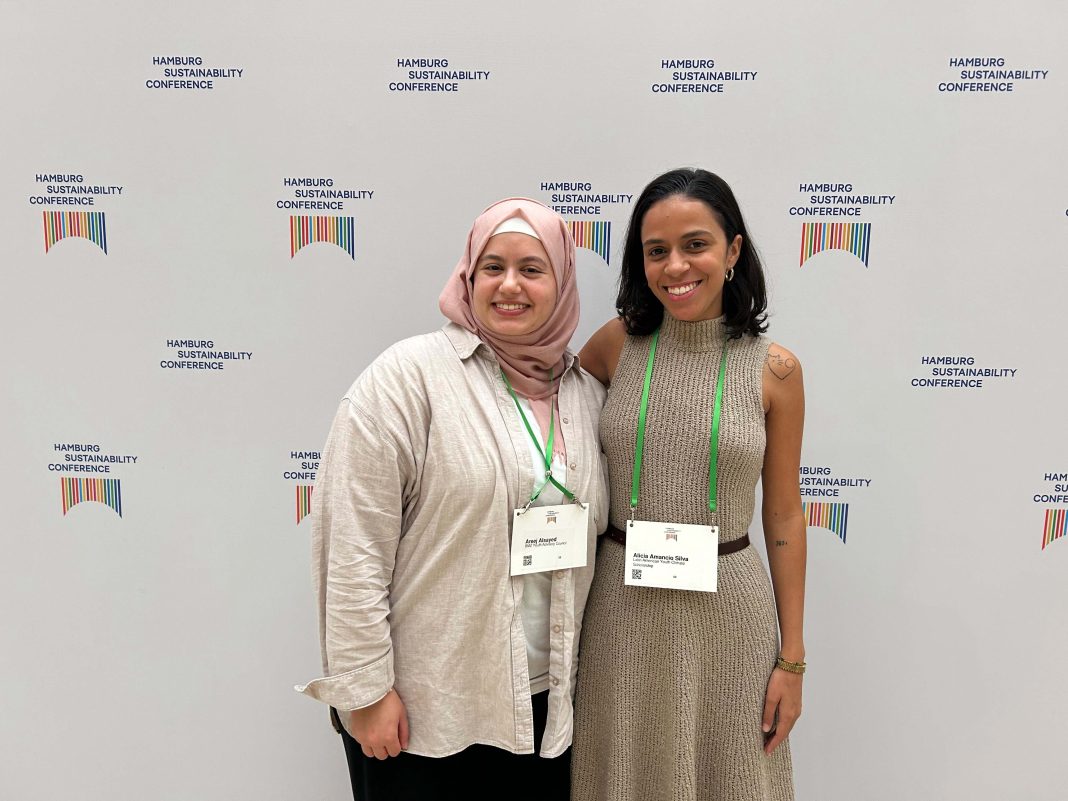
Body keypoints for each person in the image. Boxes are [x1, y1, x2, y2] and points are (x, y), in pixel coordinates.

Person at [296, 197, 609, 801]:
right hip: (425, 710)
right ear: (468, 276)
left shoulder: (583, 393)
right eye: (492, 267)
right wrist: (365, 691)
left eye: (532, 268)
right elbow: (352, 544)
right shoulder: (408, 378)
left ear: (563, 282)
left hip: (550, 707)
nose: (509, 285)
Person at [571, 168, 807, 801]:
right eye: (656, 251)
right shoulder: (616, 346)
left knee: (731, 781)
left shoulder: (777, 371)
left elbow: (783, 516)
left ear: (732, 251)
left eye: (695, 244)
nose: (676, 266)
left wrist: (792, 659)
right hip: (620, 615)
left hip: (731, 618)